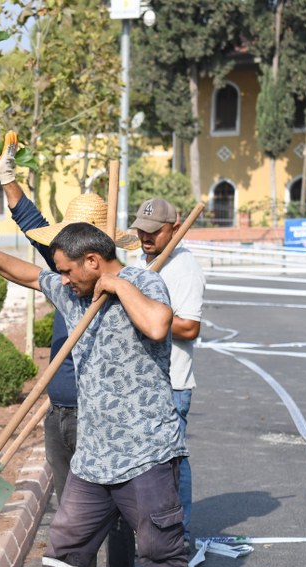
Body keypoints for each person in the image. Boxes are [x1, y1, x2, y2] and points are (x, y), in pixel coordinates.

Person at [0, 220, 192, 567]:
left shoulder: (143, 281)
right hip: (94, 453)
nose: (64, 279)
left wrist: (116, 285)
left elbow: (157, 325)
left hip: (145, 448)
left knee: (159, 545)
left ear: (93, 261)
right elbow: (32, 276)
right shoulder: (73, 292)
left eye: (70, 270)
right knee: (67, 539)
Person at [0, 134, 140, 567]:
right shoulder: (63, 269)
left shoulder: (122, 286)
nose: (61, 262)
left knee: (114, 508)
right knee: (68, 507)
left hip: (99, 413)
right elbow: (32, 226)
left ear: (94, 253)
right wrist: (8, 179)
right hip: (61, 410)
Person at [130, 198, 206, 540]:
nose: (145, 237)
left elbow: (190, 327)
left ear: (174, 229)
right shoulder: (142, 260)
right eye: (140, 230)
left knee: (172, 461)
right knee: (145, 460)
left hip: (172, 381)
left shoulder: (184, 267)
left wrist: (144, 312)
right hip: (141, 379)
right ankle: (151, 526)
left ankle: (179, 533)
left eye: (153, 232)